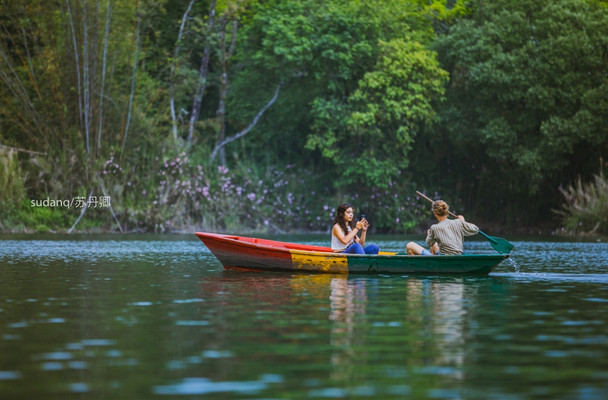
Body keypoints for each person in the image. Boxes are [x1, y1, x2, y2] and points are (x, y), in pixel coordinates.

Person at [406, 200, 478, 255]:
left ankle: (426, 267)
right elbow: (475, 229)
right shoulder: (458, 222)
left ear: (435, 213)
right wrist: (463, 221)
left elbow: (428, 242)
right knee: (434, 244)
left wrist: (429, 234)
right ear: (447, 211)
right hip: (458, 255)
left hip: (445, 259)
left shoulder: (434, 227)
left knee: (410, 245)